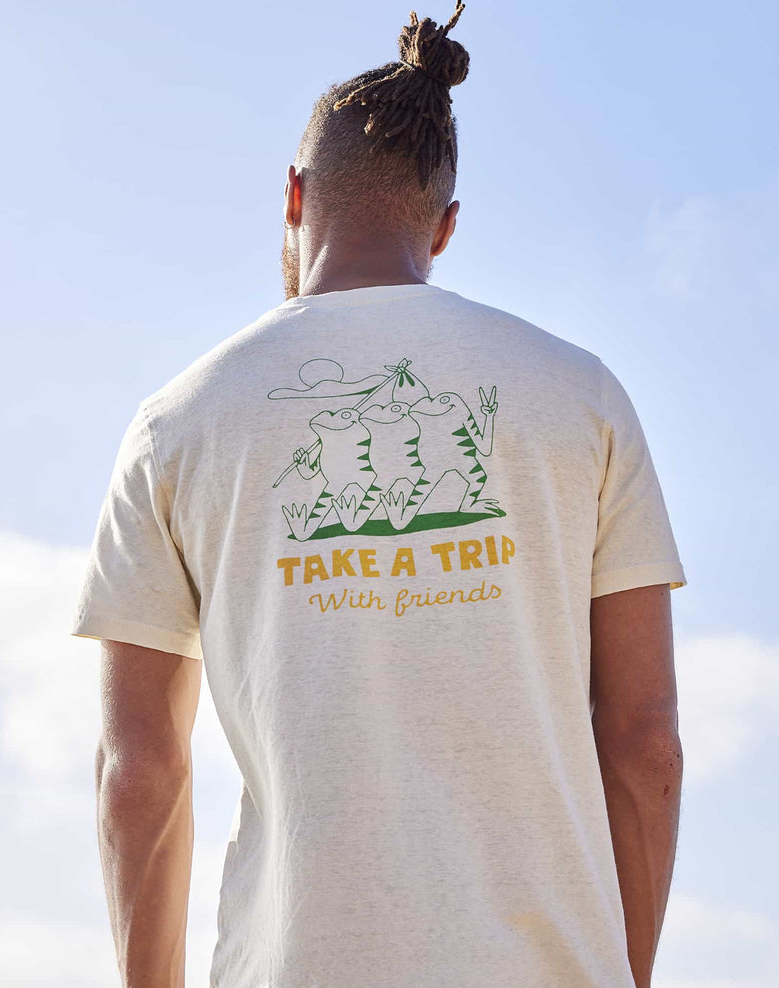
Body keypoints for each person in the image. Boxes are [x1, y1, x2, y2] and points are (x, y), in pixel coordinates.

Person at [70, 4, 687, 987]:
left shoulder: (175, 426)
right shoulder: (584, 398)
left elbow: (138, 772)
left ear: (293, 192)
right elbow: (646, 746)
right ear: (444, 225)